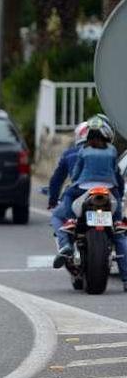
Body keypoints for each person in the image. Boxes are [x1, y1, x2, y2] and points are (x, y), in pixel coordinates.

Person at [52, 118, 127, 287]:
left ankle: (71, 221)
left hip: (84, 188)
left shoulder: (84, 151)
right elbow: (117, 176)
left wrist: (75, 182)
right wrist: (118, 192)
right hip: (109, 190)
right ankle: (126, 278)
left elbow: (77, 173)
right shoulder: (112, 150)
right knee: (119, 234)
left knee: (68, 195)